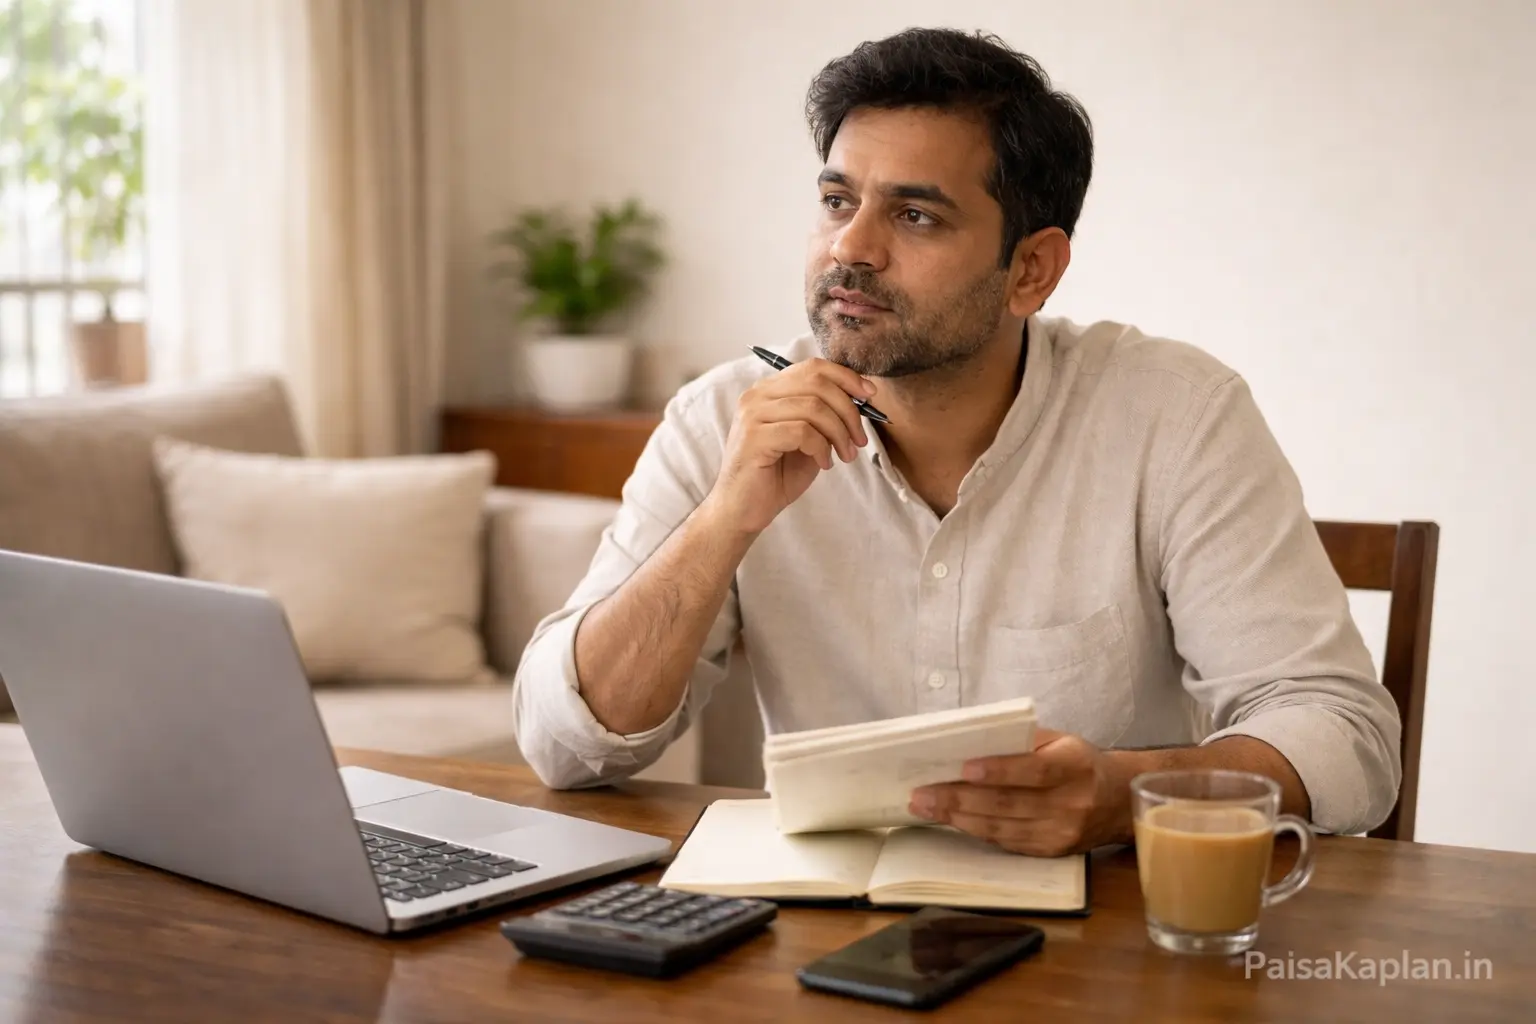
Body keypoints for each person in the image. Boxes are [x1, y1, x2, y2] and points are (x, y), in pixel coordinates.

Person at [512, 27, 1400, 854]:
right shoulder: (723, 420)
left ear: (1031, 269)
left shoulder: (1175, 416)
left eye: (916, 216)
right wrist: (720, 525)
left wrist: (1122, 792)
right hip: (809, 944)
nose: (849, 250)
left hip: (1108, 960)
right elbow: (564, 746)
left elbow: (1344, 738)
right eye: (836, 200)